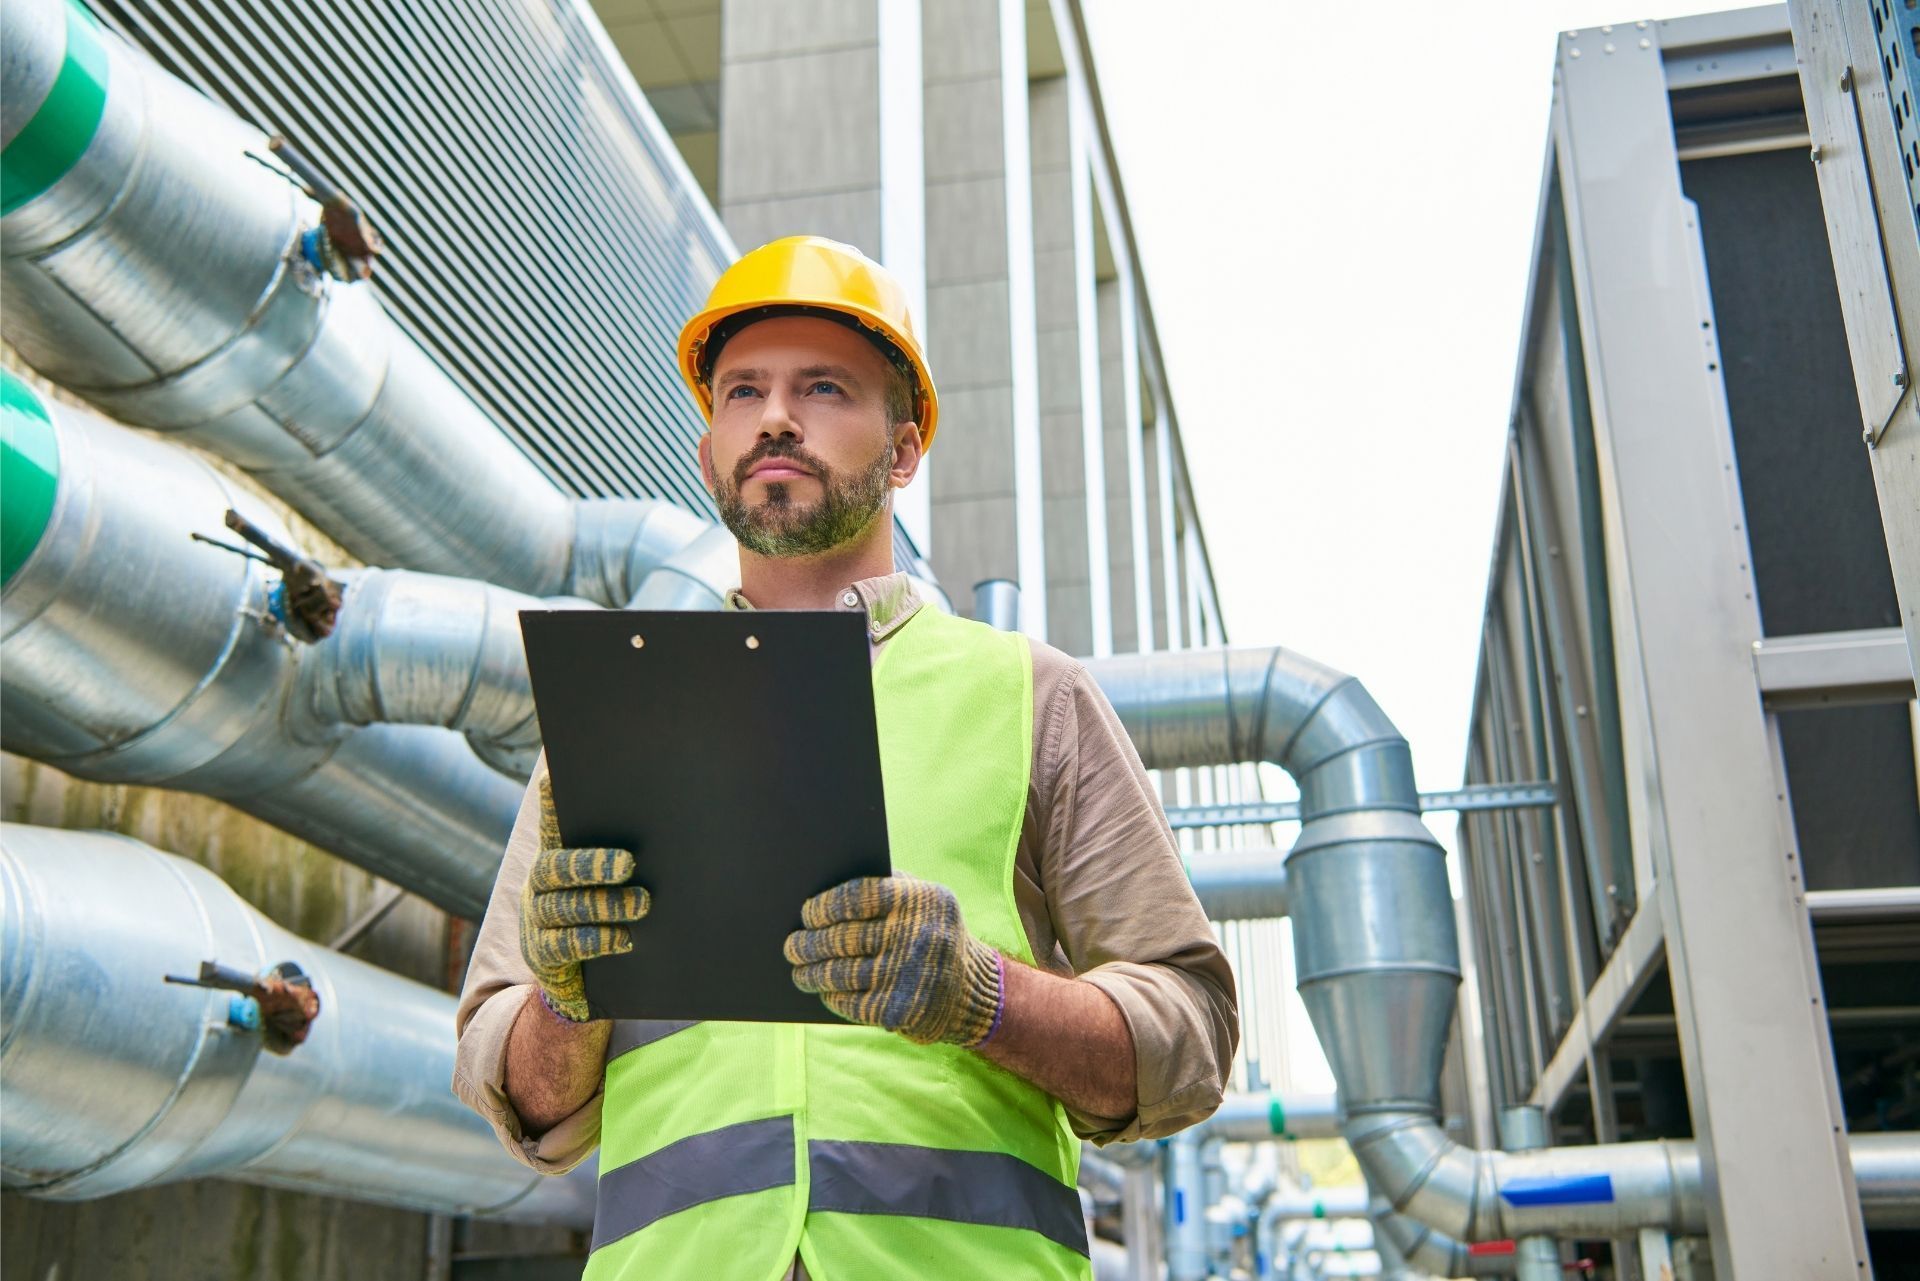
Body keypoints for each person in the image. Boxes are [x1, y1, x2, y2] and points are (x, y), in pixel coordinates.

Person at [454, 236, 1238, 1281]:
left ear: (905, 450)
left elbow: (1191, 1039)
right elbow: (520, 1096)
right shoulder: (615, 719)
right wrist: (566, 997)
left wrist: (982, 999)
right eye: (743, 393)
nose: (776, 417)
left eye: (824, 388)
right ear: (708, 456)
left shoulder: (1030, 698)